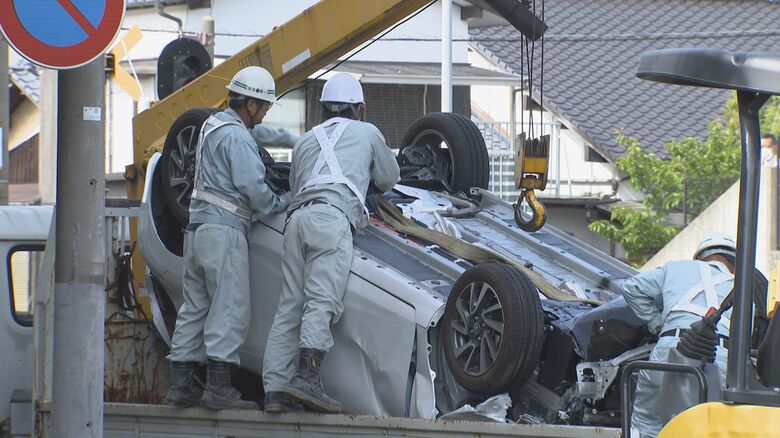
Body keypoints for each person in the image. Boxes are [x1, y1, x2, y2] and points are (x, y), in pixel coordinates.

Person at [261, 73, 400, 413]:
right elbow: (389, 177)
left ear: (323, 108)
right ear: (359, 108)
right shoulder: (367, 132)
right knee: (321, 299)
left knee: (290, 305)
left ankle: (275, 389)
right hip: (331, 219)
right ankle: (307, 379)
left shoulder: (305, 140)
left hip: (297, 222)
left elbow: (297, 184)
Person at [165, 66, 292, 410]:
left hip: (196, 232)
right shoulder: (238, 138)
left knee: (194, 307)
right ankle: (218, 388)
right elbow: (255, 191)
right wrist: (281, 201)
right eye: (264, 107)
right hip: (225, 232)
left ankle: (181, 386)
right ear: (250, 104)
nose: (264, 114)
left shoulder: (211, 126)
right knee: (229, 307)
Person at [622, 232, 736, 437]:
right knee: (708, 427)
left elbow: (632, 287)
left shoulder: (675, 268)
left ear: (699, 258)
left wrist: (657, 324)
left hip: (669, 348)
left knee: (647, 425)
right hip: (717, 356)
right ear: (734, 264)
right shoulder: (742, 288)